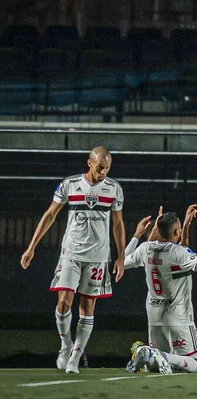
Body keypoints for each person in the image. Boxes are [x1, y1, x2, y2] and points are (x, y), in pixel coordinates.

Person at [20, 146, 126, 374]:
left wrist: (121, 256)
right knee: (63, 303)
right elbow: (50, 215)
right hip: (71, 253)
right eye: (100, 167)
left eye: (107, 168)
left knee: (87, 307)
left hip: (98, 257)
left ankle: (75, 358)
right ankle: (65, 345)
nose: (103, 172)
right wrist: (31, 247)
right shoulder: (70, 184)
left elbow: (117, 224)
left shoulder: (114, 189)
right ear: (89, 163)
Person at [124, 205, 197, 374]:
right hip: (178, 317)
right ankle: (153, 353)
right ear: (175, 232)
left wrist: (137, 235)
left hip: (155, 317)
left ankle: (148, 354)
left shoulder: (146, 248)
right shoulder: (179, 253)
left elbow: (123, 262)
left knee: (156, 367)